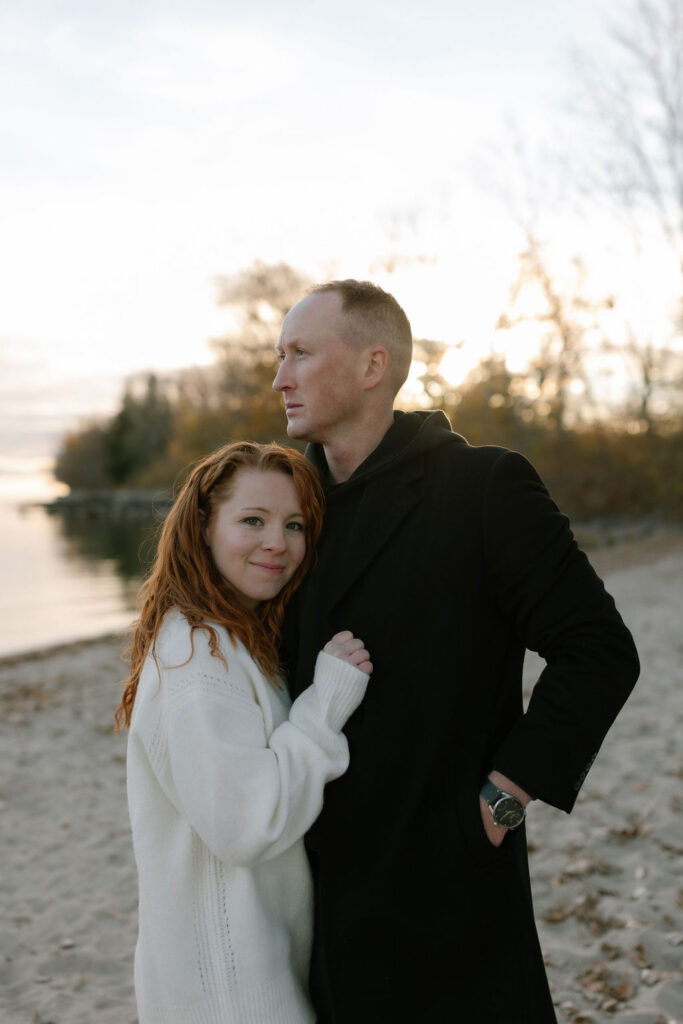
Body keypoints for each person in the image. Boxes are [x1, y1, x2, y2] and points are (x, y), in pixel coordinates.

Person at [273, 280, 640, 1023]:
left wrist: (503, 796)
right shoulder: (283, 511)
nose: (279, 377)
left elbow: (598, 649)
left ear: (373, 365)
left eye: (300, 354)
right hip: (308, 881)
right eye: (279, 356)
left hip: (445, 876)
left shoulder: (481, 488)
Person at [116, 441, 373, 1024]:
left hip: (240, 974)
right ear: (204, 527)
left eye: (294, 525)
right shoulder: (198, 659)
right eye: (252, 521)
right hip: (230, 993)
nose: (277, 543)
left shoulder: (229, 638)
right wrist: (323, 708)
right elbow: (247, 826)